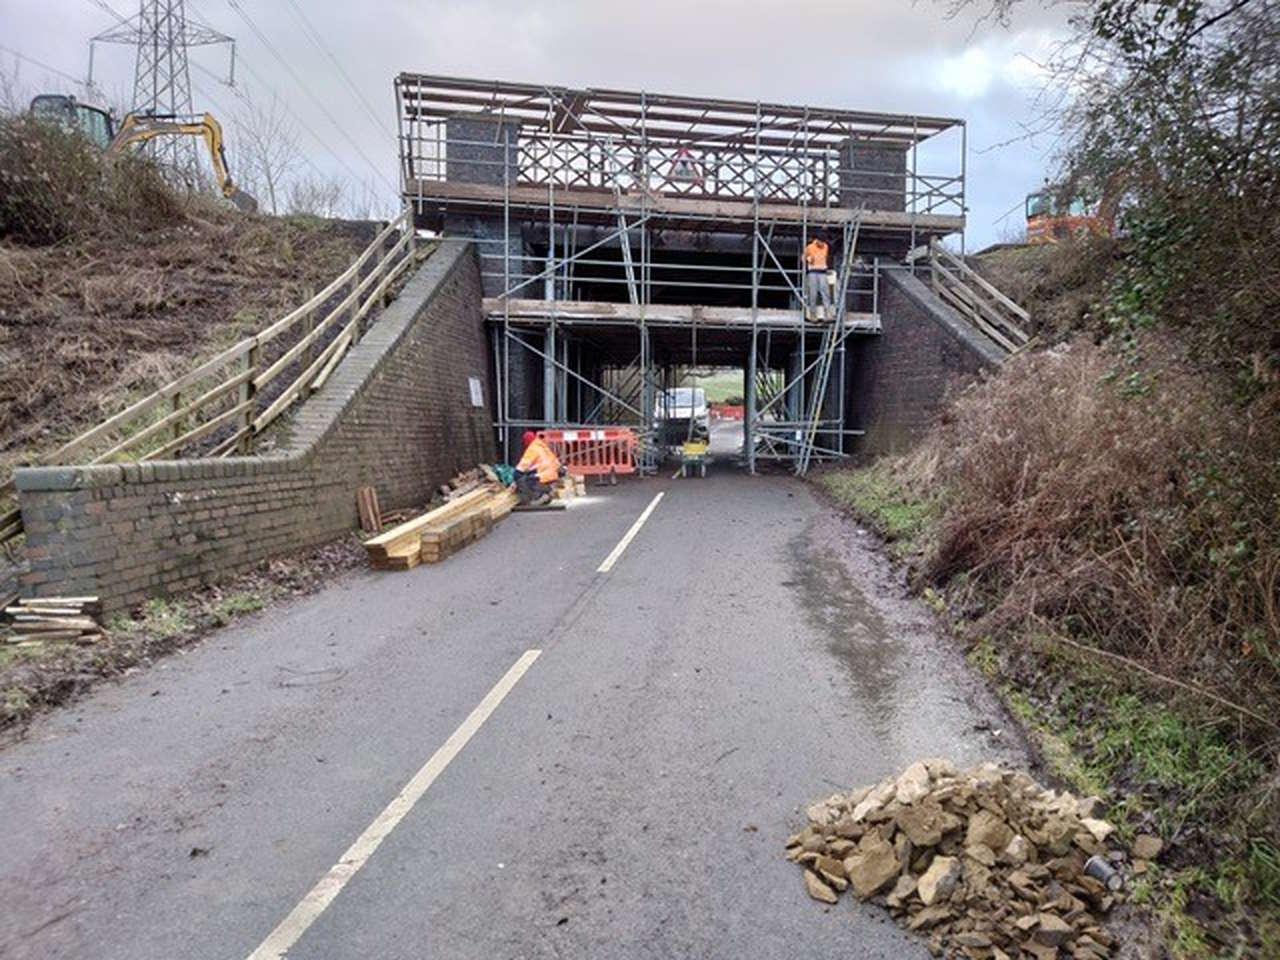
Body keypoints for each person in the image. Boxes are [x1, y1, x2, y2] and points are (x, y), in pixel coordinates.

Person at [510, 430, 562, 505]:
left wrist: (515, 481)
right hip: (552, 474)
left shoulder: (532, 449)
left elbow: (521, 468)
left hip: (544, 475)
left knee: (524, 479)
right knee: (530, 475)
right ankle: (547, 493)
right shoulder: (542, 445)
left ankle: (538, 497)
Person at [803, 233, 833, 321]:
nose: (822, 244)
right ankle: (812, 315)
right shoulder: (809, 247)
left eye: (824, 242)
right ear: (817, 240)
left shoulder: (826, 246)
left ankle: (828, 314)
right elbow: (803, 258)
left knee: (826, 293)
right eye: (821, 242)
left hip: (823, 272)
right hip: (812, 272)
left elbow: (826, 257)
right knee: (813, 294)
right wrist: (808, 259)